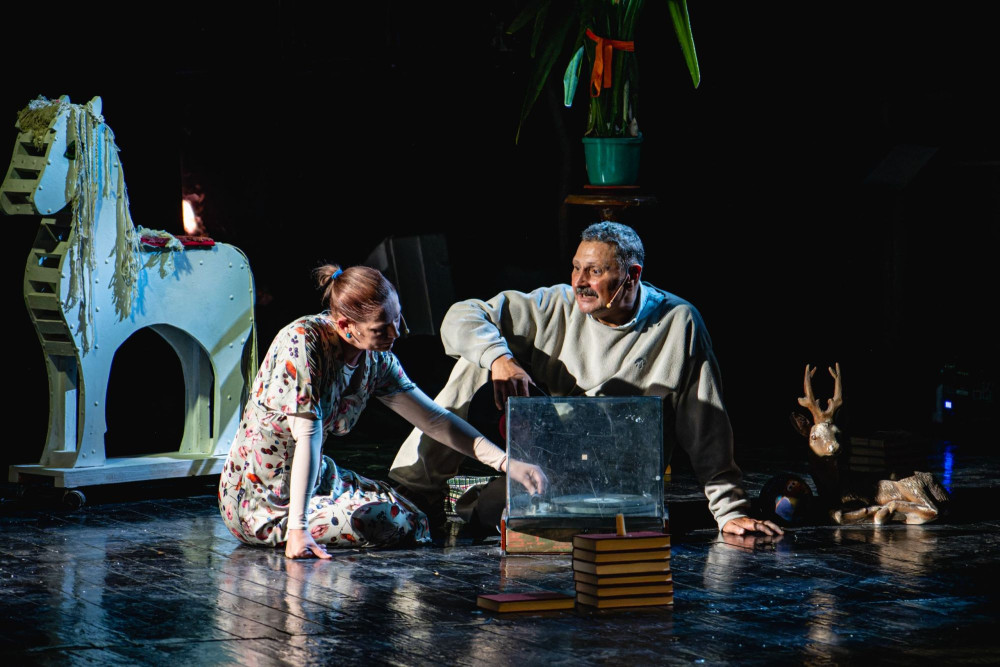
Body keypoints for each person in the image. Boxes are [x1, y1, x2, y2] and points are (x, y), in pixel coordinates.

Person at [389, 221, 781, 537]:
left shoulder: (677, 323)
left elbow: (706, 423)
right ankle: (416, 491)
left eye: (594, 271)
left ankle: (481, 499)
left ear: (632, 275)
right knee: (478, 356)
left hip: (619, 481)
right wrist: (500, 359)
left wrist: (730, 512)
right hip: (551, 465)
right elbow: (461, 316)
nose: (579, 281)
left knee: (496, 509)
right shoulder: (555, 304)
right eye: (577, 267)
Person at [218, 264, 547, 559]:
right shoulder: (303, 343)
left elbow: (435, 420)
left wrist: (507, 462)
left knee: (413, 515)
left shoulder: (375, 358)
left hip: (317, 479)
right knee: (387, 520)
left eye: (396, 319)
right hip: (263, 498)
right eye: (381, 328)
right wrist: (297, 529)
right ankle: (294, 525)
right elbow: (308, 437)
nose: (395, 334)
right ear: (345, 325)